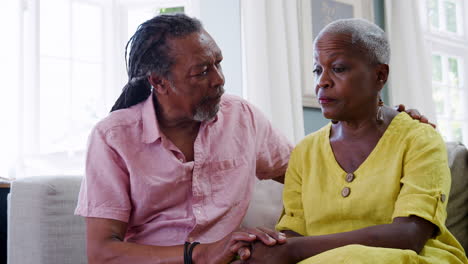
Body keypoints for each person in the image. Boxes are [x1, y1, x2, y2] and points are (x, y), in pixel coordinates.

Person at [75, 14, 437, 264]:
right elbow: (102, 252)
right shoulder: (113, 137)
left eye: (218, 64)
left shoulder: (242, 117)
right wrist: (199, 254)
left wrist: (383, 119)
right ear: (158, 82)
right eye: (202, 72)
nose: (219, 80)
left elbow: (314, 171)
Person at [242, 18, 468, 264]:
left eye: (338, 69)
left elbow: (410, 235)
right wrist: (267, 246)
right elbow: (294, 232)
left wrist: (294, 250)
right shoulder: (305, 151)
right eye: (318, 70)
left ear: (379, 75)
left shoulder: (420, 140)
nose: (322, 82)